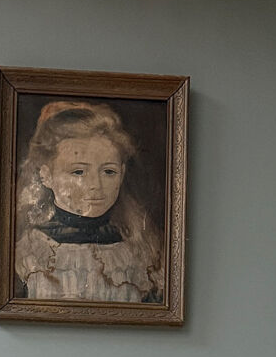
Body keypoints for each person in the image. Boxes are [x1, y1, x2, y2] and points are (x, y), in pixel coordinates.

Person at [14, 100, 164, 304]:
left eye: (108, 171)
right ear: (46, 176)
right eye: (78, 172)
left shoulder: (141, 254)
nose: (95, 185)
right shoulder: (28, 253)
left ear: (122, 174)